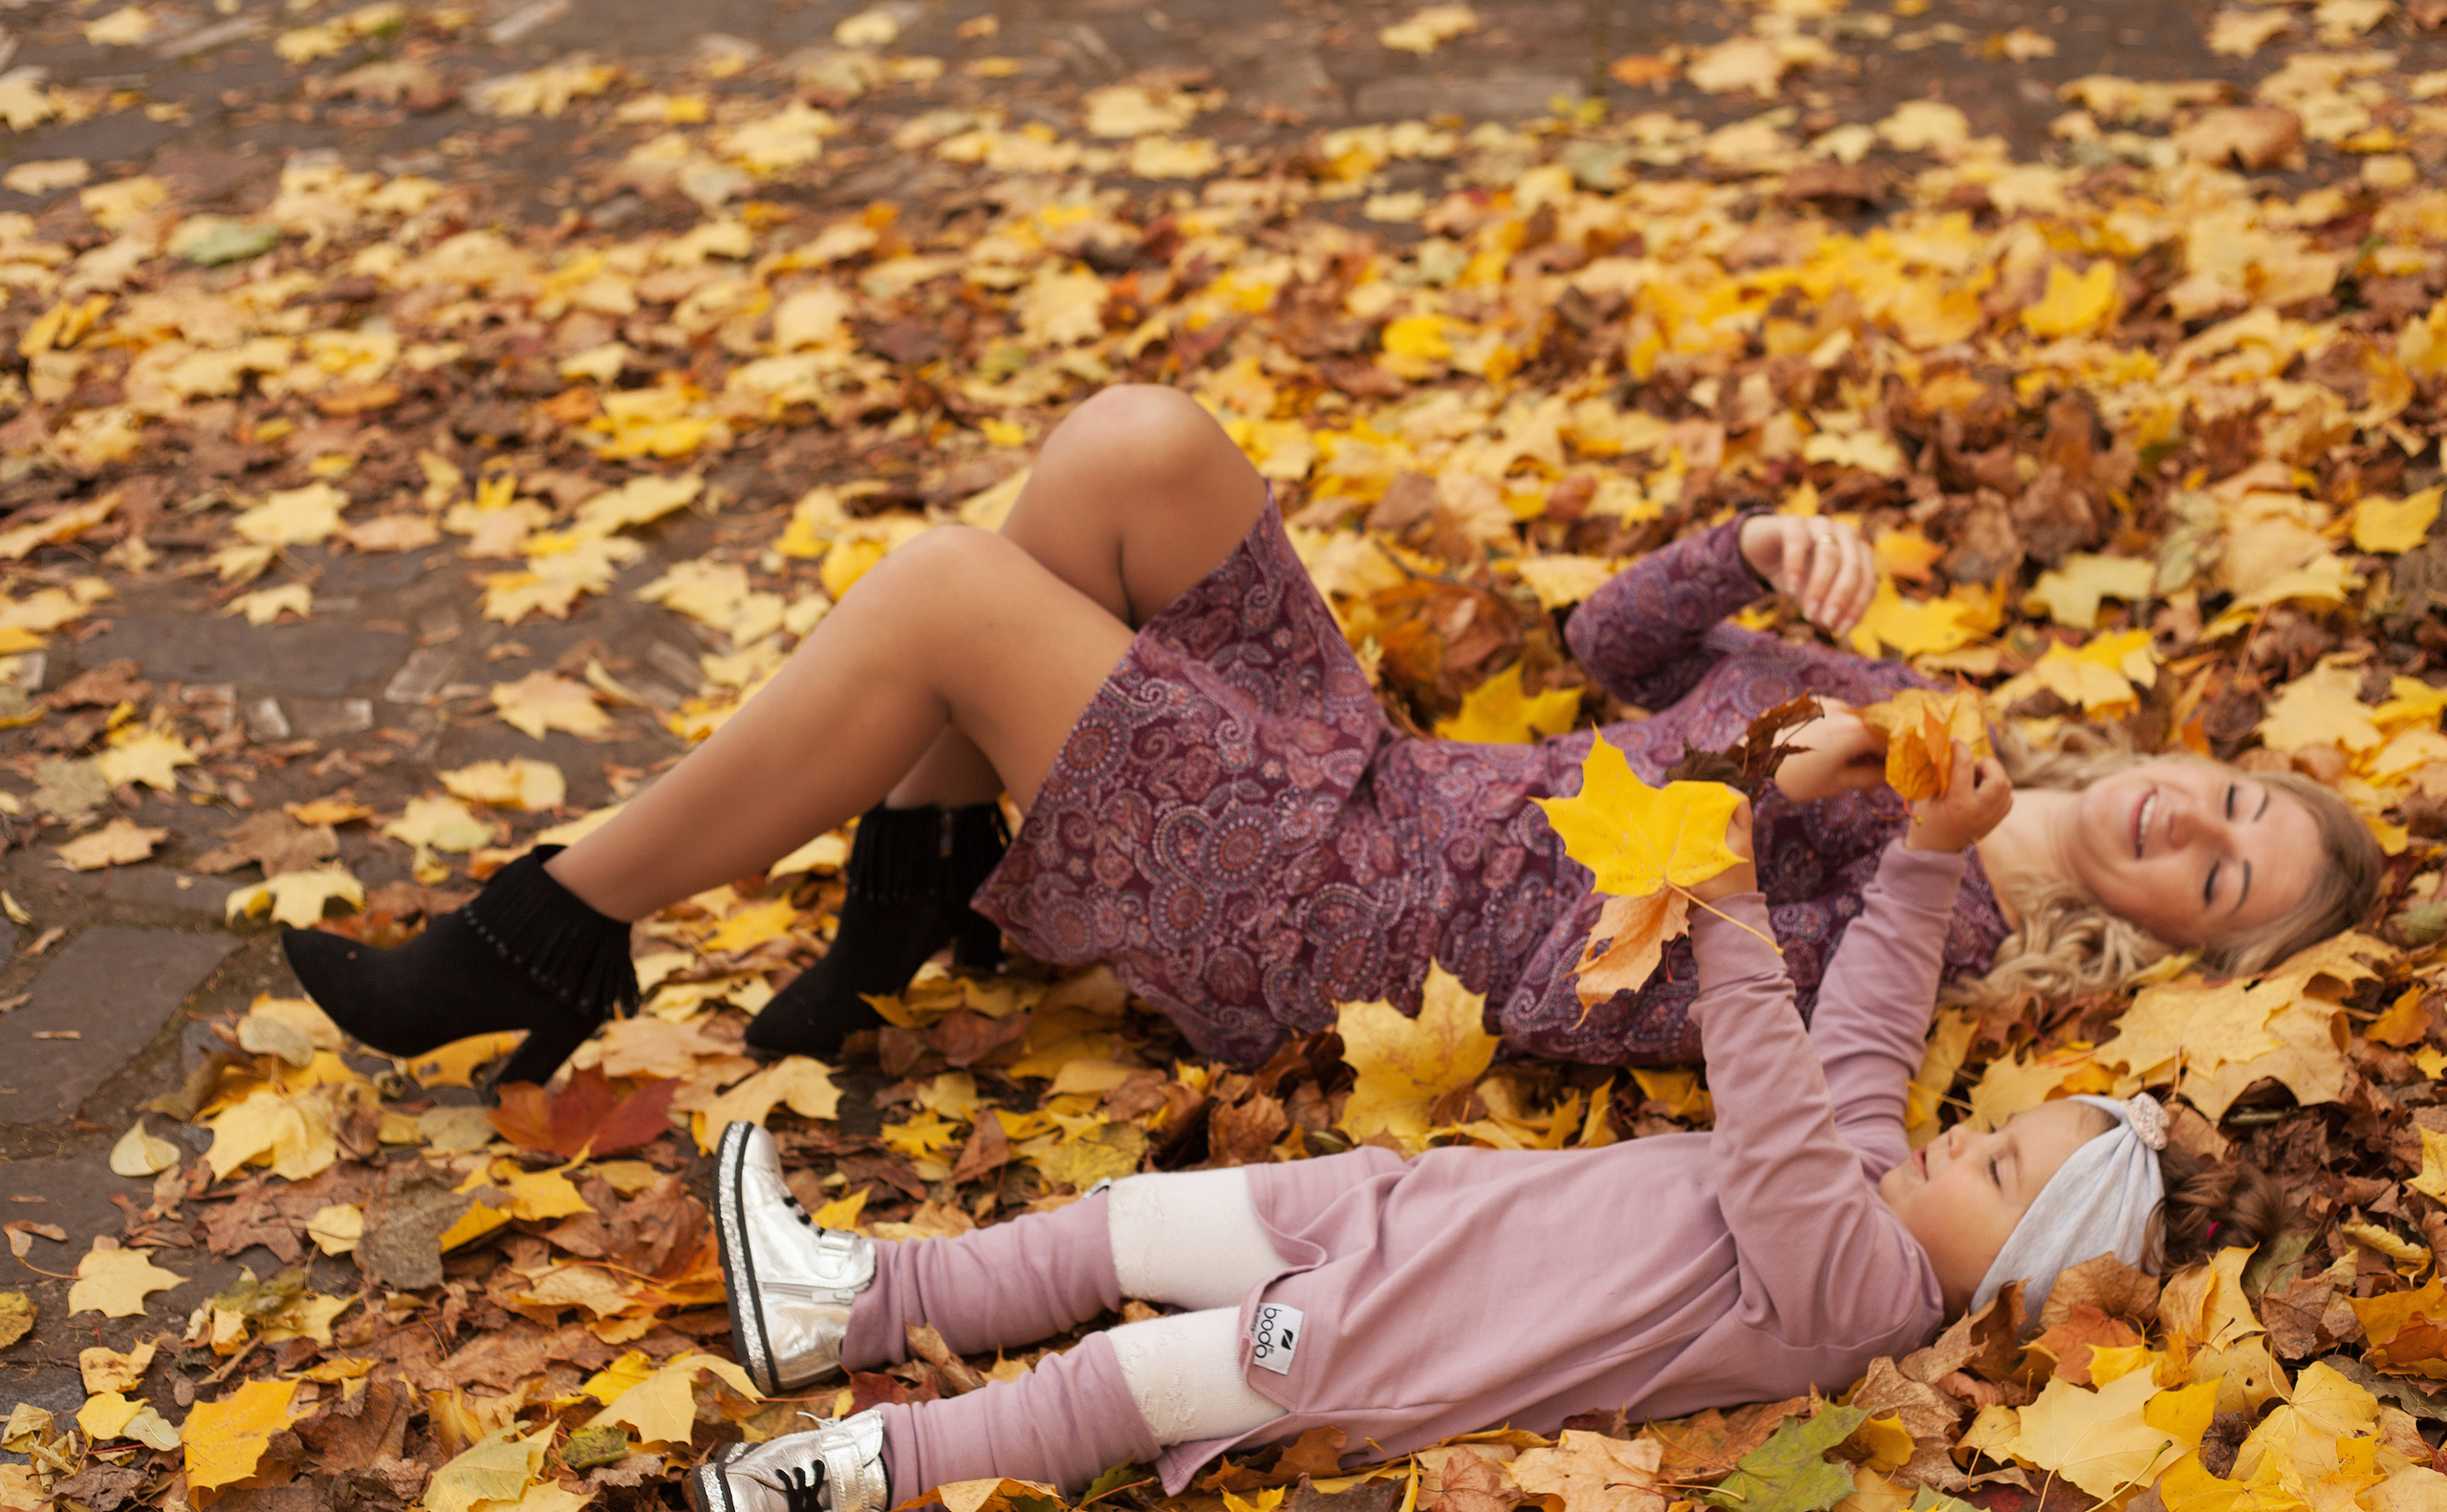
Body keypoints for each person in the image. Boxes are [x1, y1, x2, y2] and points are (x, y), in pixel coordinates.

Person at [276, 386, 2382, 1087]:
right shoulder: (1925, 718)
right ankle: (918, 903)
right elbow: (1600, 648)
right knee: (1134, 450)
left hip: (1348, 924)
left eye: (2222, 882)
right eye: (2231, 800)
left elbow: (1587, 995)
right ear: (2191, 752)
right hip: (1374, 779)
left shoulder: (1935, 946)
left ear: (2175, 953)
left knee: (940, 594)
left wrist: (1782, 805)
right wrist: (1748, 548)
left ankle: (546, 934)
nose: (2188, 827)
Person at [679, 767, 2284, 1512]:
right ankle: (849, 1302)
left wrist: (1728, 915)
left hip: (1401, 1346)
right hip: (1393, 1212)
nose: (1960, 1140)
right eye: (1993, 1130)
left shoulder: (1861, 1295)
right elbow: (1866, 1022)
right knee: (1122, 1226)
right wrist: (1925, 857)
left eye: (1993, 1170)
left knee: (1117, 1385)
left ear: (2001, 1287)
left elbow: (1776, 1114)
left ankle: (851, 1477)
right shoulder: (1881, 1175)